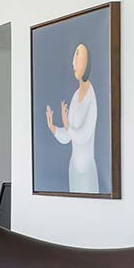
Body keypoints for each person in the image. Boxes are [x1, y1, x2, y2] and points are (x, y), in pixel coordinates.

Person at [45, 42, 99, 194]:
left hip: (86, 171)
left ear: (87, 61)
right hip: (73, 169)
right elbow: (69, 137)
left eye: (78, 55)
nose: (73, 62)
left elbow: (83, 136)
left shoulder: (91, 97)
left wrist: (67, 123)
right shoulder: (75, 96)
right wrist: (53, 127)